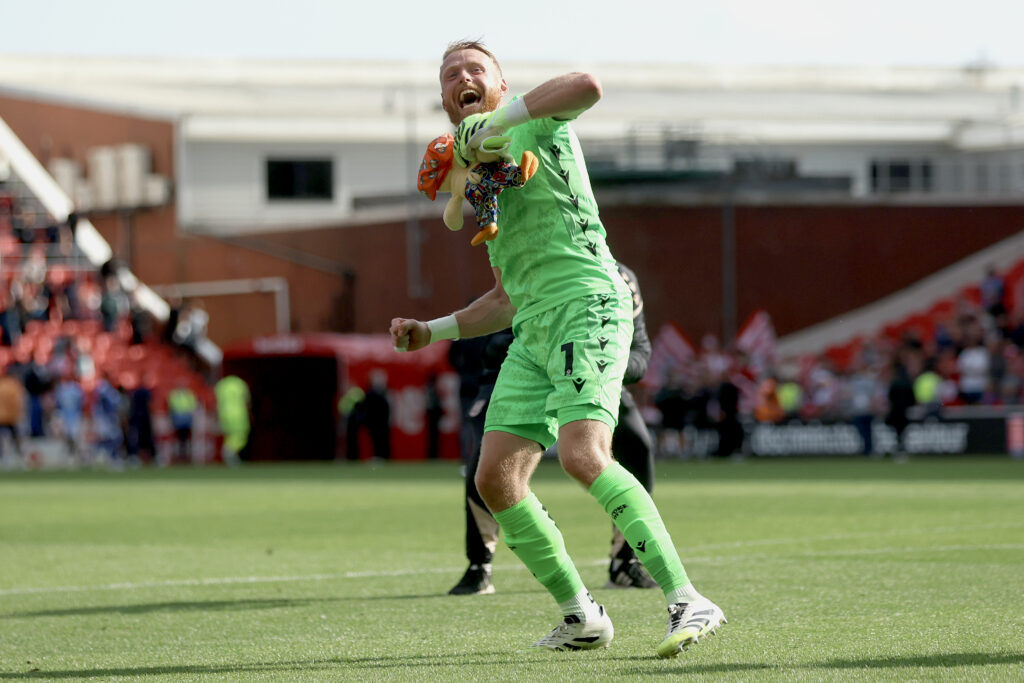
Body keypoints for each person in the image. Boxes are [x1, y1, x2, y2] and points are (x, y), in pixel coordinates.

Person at [391, 40, 724, 658]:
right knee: (494, 479)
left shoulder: (535, 121)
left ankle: (687, 598)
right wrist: (430, 330)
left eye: (475, 69)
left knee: (582, 455)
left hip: (587, 303)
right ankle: (581, 616)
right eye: (450, 75)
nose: (462, 77)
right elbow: (503, 299)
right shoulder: (479, 179)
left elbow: (588, 84)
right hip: (534, 329)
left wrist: (504, 117)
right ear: (444, 101)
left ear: (500, 84)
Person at [448, 263, 659, 596]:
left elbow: (640, 352)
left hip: (592, 375)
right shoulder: (540, 266)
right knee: (487, 463)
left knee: (638, 445)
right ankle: (479, 565)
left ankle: (626, 561)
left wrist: (603, 363)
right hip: (526, 373)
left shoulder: (621, 280)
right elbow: (497, 341)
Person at [215, 374, 250, 466]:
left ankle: (231, 454)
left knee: (229, 436)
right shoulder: (240, 384)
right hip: (239, 414)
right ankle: (229, 451)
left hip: (224, 414)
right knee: (240, 435)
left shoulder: (221, 385)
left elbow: (216, 401)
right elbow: (247, 400)